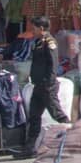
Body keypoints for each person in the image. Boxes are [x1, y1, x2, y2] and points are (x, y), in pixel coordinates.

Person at [25, 17, 67, 146]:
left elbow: (53, 64)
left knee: (57, 113)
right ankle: (30, 147)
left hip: (47, 85)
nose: (33, 31)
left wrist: (49, 82)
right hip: (38, 85)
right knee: (34, 115)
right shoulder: (39, 42)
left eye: (34, 29)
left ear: (41, 29)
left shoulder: (49, 42)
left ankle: (73, 137)